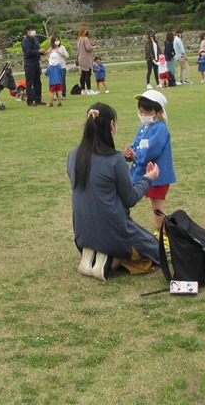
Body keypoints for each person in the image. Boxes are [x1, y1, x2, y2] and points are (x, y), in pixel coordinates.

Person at [67, 102, 161, 281]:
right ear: (111, 125)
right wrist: (148, 178)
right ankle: (113, 258)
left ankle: (97, 252)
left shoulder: (73, 155)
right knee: (156, 250)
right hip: (113, 230)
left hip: (82, 234)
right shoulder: (115, 159)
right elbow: (130, 198)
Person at [123, 89, 175, 240]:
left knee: (157, 207)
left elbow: (151, 150)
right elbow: (136, 145)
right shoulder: (144, 128)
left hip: (158, 176)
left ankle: (163, 235)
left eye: (147, 112)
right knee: (152, 205)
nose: (143, 115)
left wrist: (135, 155)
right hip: (145, 174)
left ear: (158, 112)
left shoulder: (160, 129)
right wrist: (128, 153)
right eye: (141, 111)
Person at [22, 24, 45, 106]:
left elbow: (37, 50)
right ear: (27, 31)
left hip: (36, 63)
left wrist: (43, 52)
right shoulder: (25, 41)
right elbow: (28, 52)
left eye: (33, 29)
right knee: (29, 83)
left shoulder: (35, 39)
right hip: (29, 64)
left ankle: (38, 99)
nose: (33, 31)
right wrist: (38, 51)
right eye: (31, 29)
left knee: (37, 82)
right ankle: (30, 101)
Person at [76, 25, 100, 95]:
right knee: (87, 74)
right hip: (86, 59)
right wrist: (95, 47)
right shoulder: (85, 38)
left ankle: (83, 90)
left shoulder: (80, 39)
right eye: (86, 30)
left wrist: (93, 44)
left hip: (81, 59)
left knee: (83, 74)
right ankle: (89, 90)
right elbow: (88, 48)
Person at [46, 35, 69, 107]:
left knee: (62, 81)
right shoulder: (51, 49)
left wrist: (61, 53)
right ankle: (57, 97)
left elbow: (67, 56)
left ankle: (62, 95)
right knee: (57, 83)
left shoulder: (62, 48)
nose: (57, 41)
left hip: (62, 66)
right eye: (55, 40)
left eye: (58, 40)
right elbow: (47, 56)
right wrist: (48, 52)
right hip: (53, 67)